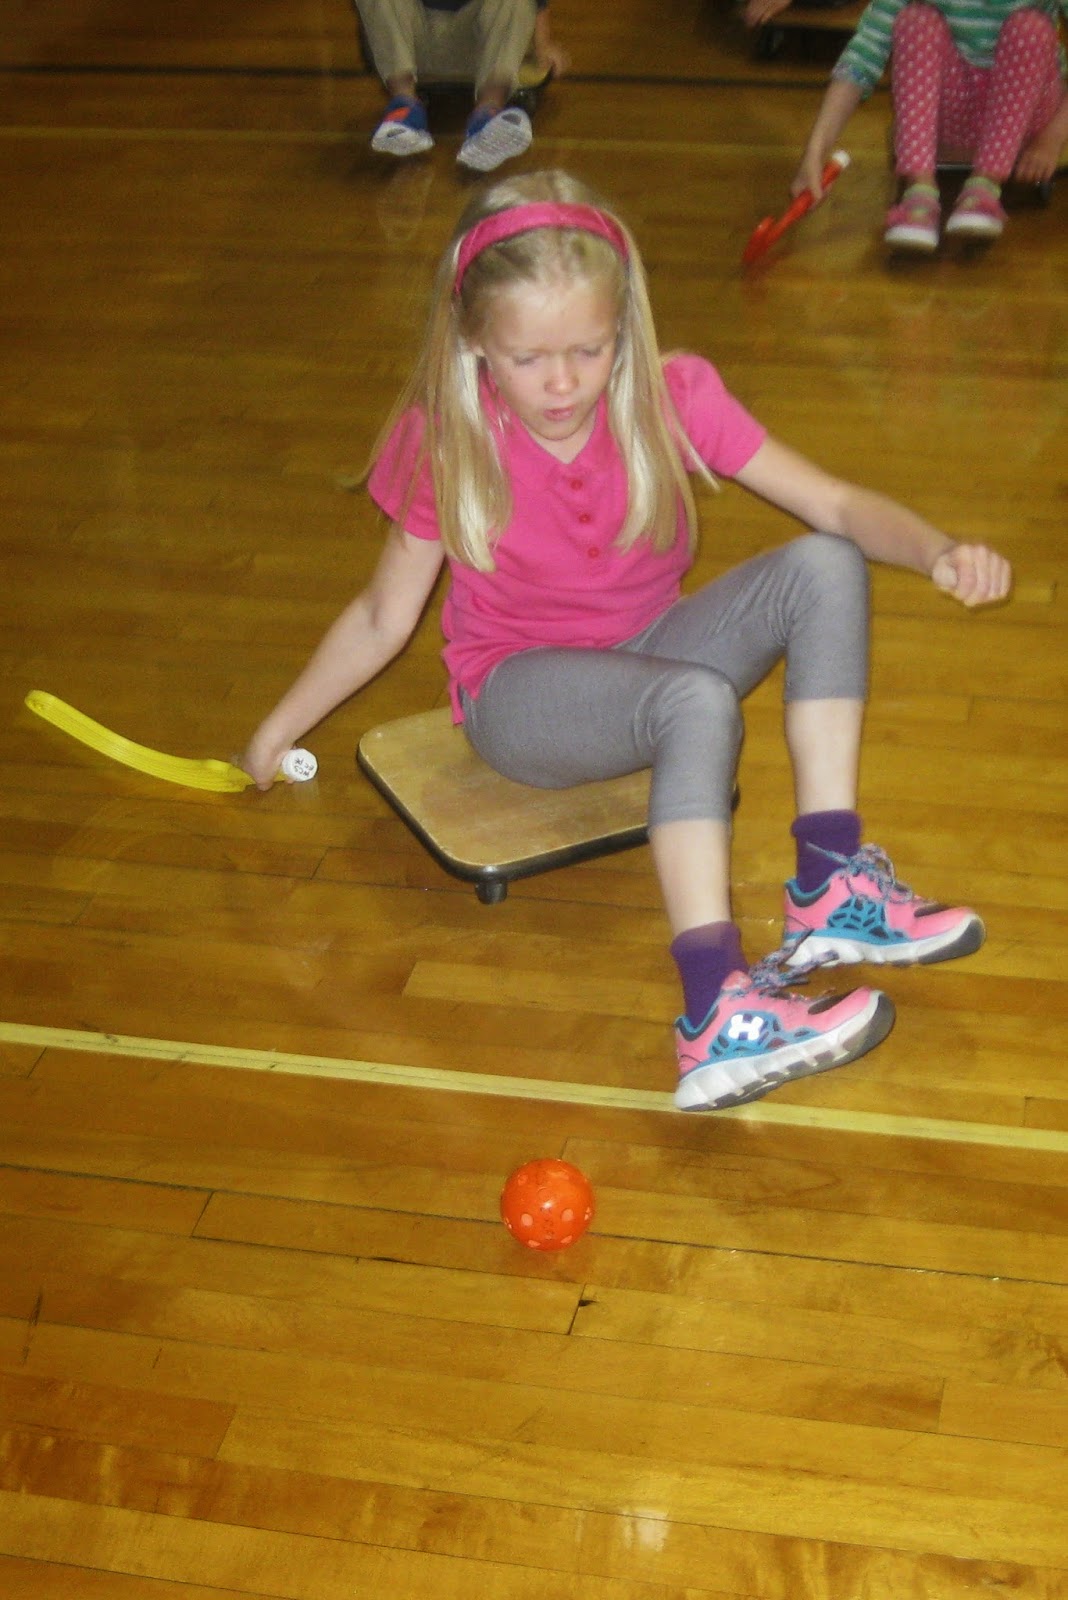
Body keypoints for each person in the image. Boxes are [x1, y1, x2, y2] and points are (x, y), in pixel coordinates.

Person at [240, 169, 1012, 1113]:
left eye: (590, 350)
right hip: (518, 696)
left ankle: (828, 887)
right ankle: (716, 1018)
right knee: (694, 699)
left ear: (624, 331)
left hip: (651, 646)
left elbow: (838, 503)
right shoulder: (445, 437)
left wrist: (936, 550)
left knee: (825, 563)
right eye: (529, 359)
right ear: (476, 342)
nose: (563, 383)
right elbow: (379, 617)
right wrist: (276, 731)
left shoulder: (671, 393)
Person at [778, 0, 1068, 251]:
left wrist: (1053, 136)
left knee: (1031, 29)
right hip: (954, 111)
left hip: (1026, 112)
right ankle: (919, 191)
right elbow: (864, 53)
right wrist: (815, 153)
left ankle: (986, 184)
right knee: (914, 21)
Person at [355, 0, 568, 172]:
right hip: (412, 39)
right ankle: (404, 106)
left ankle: (488, 112)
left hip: (476, 42)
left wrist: (543, 42)